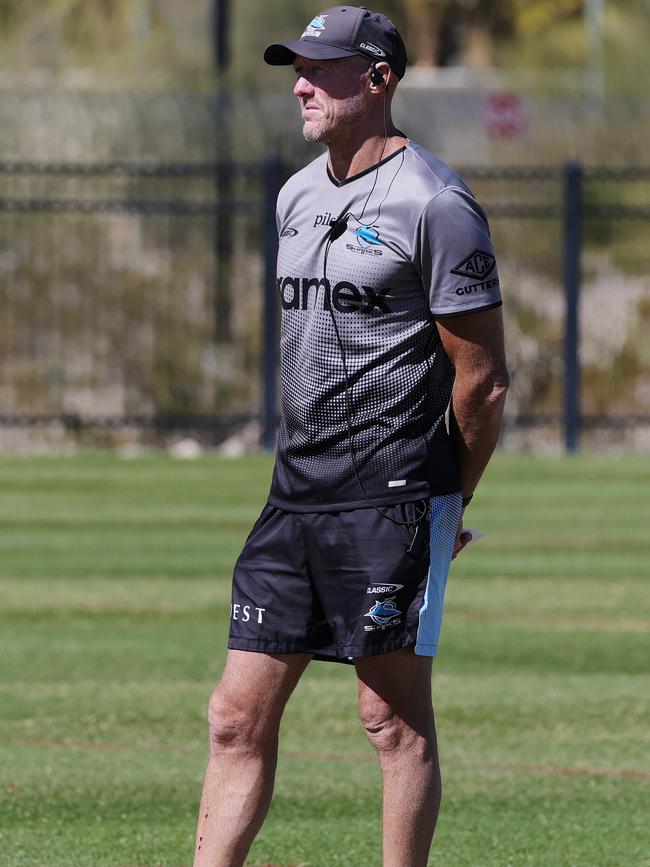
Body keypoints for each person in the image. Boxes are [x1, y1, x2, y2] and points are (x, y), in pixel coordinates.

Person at [193, 6, 509, 866]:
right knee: (234, 716)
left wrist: (448, 506)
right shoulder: (295, 194)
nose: (302, 82)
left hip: (393, 498)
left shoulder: (436, 204)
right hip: (291, 497)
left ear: (379, 80)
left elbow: (482, 380)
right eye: (297, 67)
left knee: (391, 721)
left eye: (323, 68)